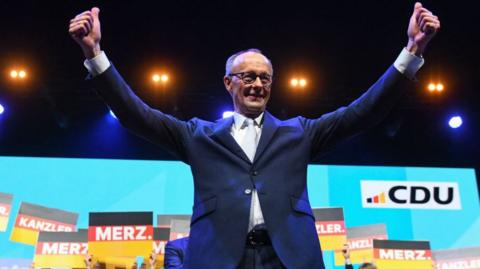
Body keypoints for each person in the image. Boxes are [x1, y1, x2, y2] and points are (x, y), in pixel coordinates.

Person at [68, 3, 440, 268]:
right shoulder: (198, 136)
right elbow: (137, 116)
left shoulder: (300, 133)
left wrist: (412, 51)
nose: (258, 84)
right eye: (248, 76)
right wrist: (95, 54)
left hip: (290, 258)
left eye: (265, 78)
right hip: (218, 259)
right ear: (229, 83)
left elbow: (364, 112)